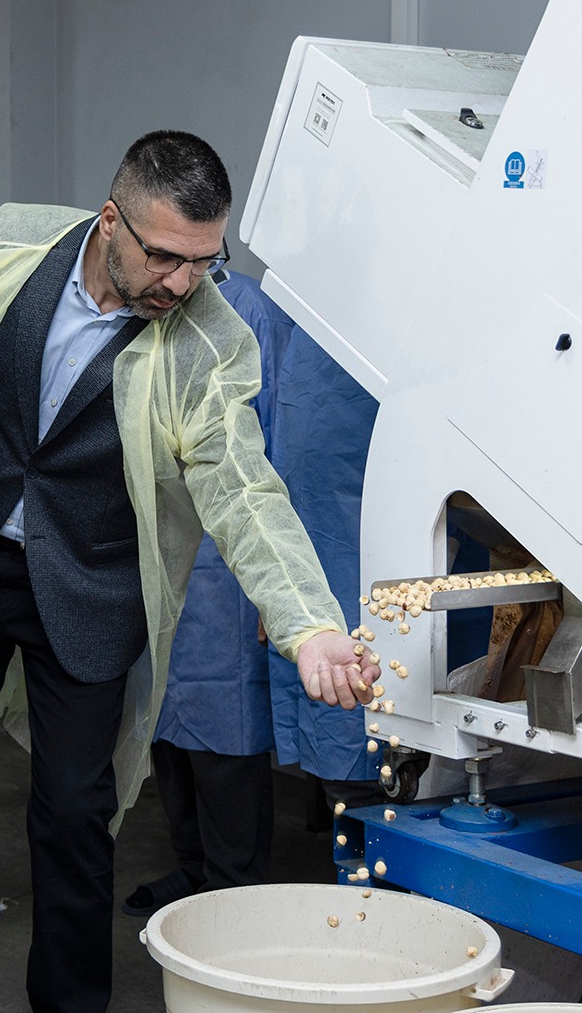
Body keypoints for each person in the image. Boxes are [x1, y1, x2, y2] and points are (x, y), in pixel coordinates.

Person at [0, 131, 379, 1013]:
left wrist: (308, 624)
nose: (183, 283)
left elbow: (245, 488)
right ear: (111, 221)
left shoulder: (210, 340)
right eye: (164, 257)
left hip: (89, 587)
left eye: (204, 261)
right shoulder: (10, 243)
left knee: (76, 814)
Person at [124, 271, 382, 917]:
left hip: (227, 563)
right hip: (158, 549)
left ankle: (233, 889)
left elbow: (275, 457)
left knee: (223, 733)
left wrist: (283, 597)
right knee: (165, 723)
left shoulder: (249, 311)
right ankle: (192, 867)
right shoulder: (139, 305)